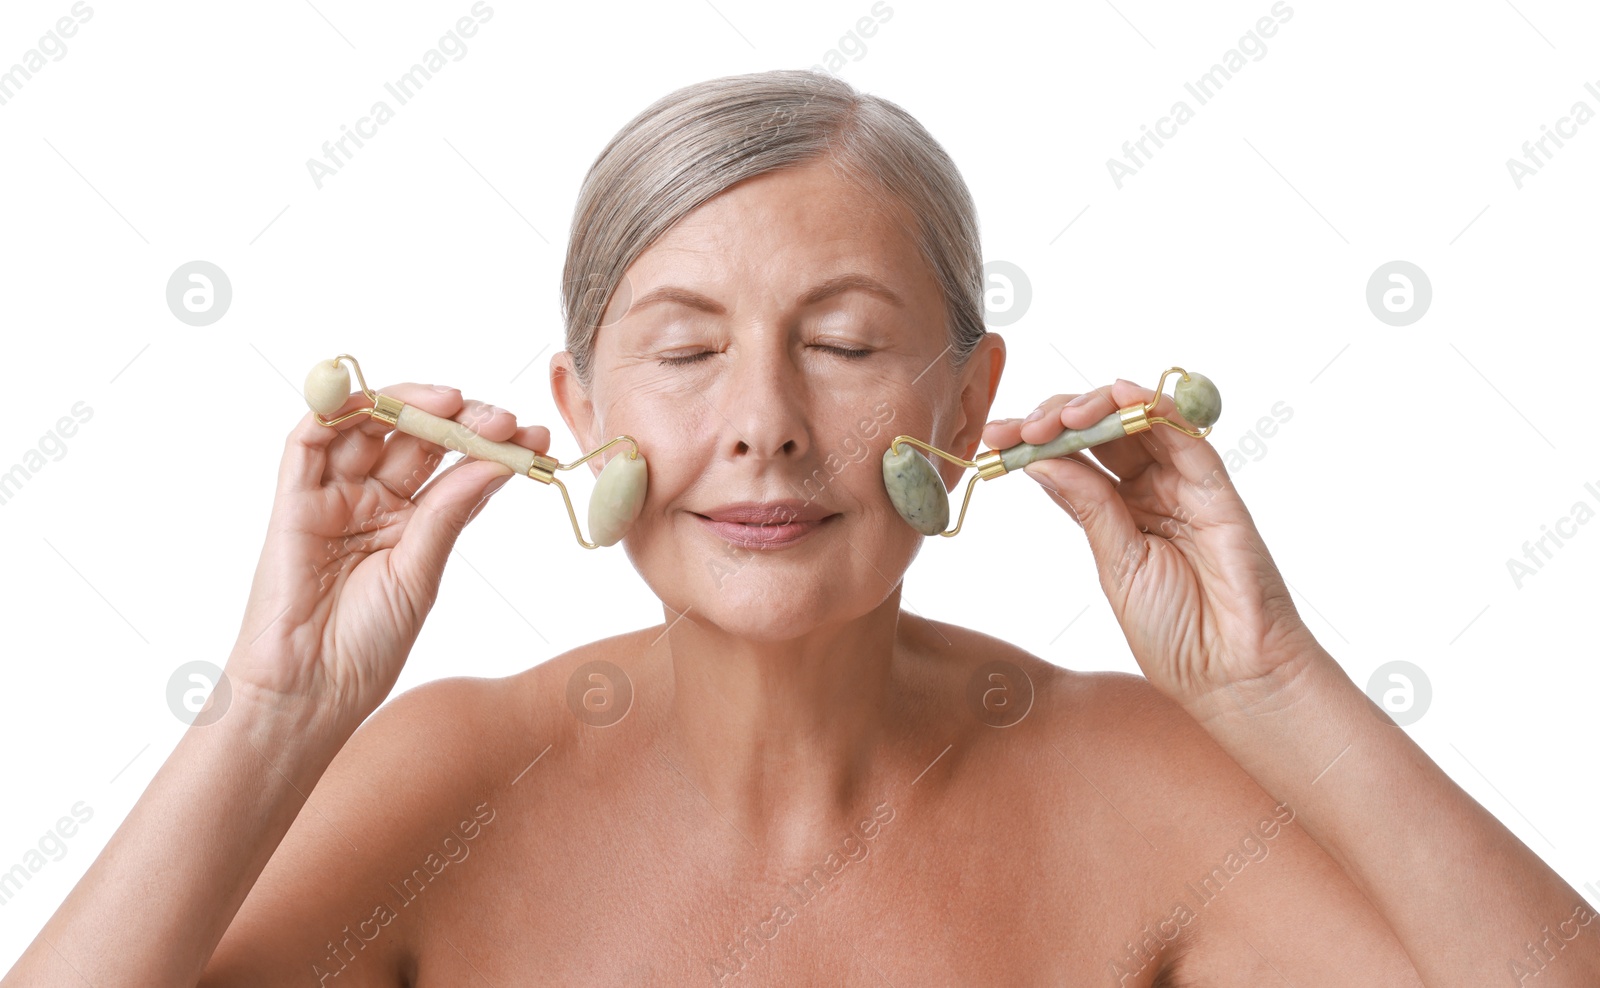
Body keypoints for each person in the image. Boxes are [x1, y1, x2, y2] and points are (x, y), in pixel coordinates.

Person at [6, 68, 1595, 988]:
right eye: (687, 353)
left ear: (969, 408)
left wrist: (1273, 687)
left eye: (840, 344)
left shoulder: (1144, 793)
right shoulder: (443, 782)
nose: (762, 419)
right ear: (581, 410)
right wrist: (274, 716)